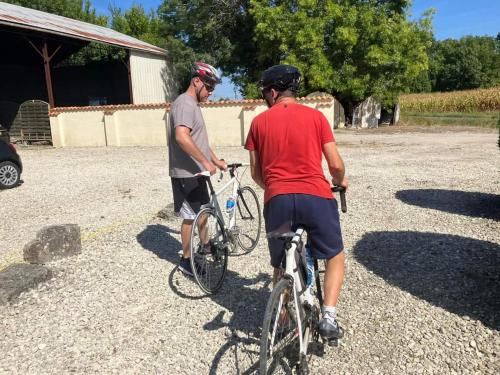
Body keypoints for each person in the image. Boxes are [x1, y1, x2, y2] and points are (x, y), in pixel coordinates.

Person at [245, 64, 348, 339]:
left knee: (280, 264)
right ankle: (328, 316)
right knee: (334, 254)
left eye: (266, 92)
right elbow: (335, 165)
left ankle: (281, 317)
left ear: (274, 91)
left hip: (277, 198)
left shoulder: (258, 122)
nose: (266, 97)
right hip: (315, 195)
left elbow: (256, 172)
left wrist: (277, 187)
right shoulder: (316, 117)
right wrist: (342, 180)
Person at [168, 61, 227, 276]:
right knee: (191, 217)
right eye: (209, 86)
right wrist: (205, 162)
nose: (211, 92)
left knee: (201, 213)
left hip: (196, 171)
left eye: (213, 88)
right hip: (187, 173)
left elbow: (198, 140)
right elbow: (182, 137)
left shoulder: (193, 105)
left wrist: (215, 160)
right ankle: (186, 261)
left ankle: (204, 245)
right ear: (196, 81)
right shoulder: (184, 104)